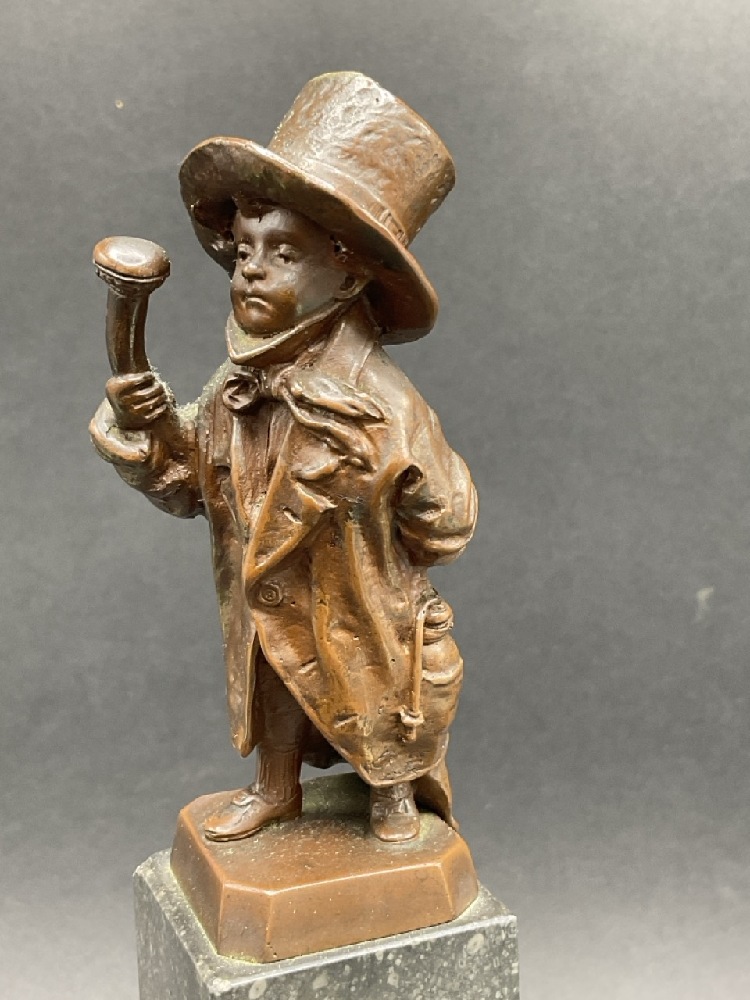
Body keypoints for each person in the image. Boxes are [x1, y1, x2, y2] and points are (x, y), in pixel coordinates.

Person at [90, 72, 477, 844]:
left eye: (285, 253)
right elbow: (189, 480)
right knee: (273, 676)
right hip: (269, 594)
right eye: (243, 251)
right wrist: (153, 427)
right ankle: (275, 786)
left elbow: (447, 525)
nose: (252, 270)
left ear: (349, 272)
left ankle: (392, 795)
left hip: (362, 608)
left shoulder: (385, 404)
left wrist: (383, 486)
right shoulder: (240, 381)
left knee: (370, 689)